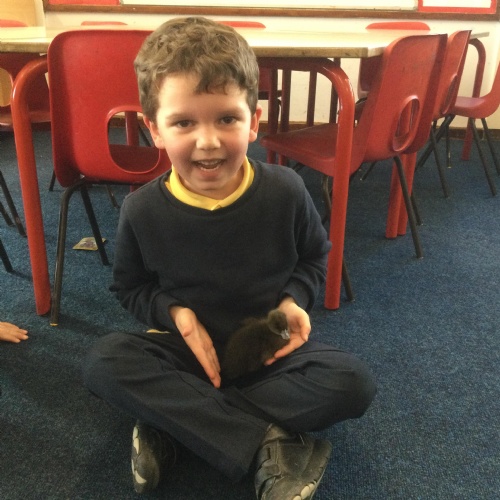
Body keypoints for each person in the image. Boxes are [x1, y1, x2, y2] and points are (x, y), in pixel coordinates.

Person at [83, 17, 376, 499]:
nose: (208, 141)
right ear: (154, 129)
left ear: (253, 121)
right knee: (105, 361)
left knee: (352, 383)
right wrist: (176, 315)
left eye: (226, 119)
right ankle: (267, 439)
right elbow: (131, 288)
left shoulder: (285, 190)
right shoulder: (142, 209)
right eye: (183, 122)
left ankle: (177, 422)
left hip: (266, 350)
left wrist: (292, 301)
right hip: (187, 353)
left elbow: (314, 257)